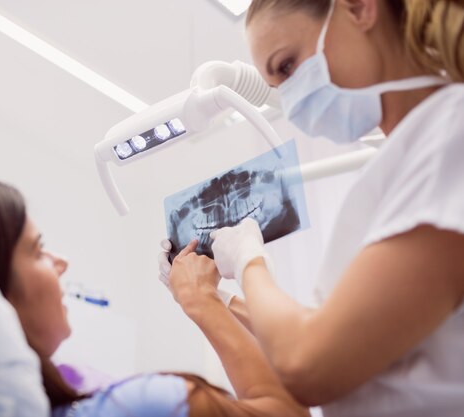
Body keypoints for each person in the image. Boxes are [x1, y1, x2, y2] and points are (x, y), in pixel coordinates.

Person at [160, 0, 464, 416]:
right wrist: (219, 296)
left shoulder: (450, 135)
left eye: (286, 66)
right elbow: (338, 333)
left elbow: (308, 363)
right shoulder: (411, 154)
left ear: (359, 9)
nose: (294, 102)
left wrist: (250, 261)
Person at [0, 176, 309, 417]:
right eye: (38, 250)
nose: (62, 262)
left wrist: (220, 299)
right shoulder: (145, 405)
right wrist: (214, 291)